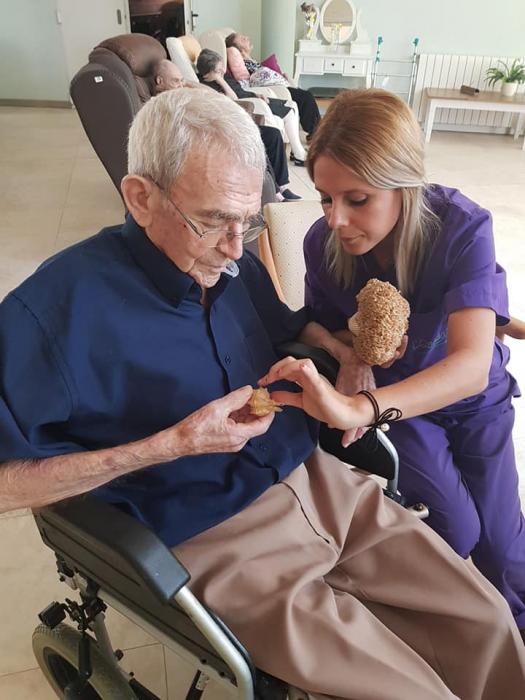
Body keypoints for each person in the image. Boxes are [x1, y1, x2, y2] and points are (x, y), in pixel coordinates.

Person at [0, 88, 524, 699]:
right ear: (141, 197)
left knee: (487, 624)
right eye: (212, 221)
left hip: (323, 485)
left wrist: (347, 355)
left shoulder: (231, 263)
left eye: (246, 222)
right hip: (217, 535)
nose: (234, 247)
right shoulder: (54, 314)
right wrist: (170, 444)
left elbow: (290, 326)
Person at [285, 87, 525, 637]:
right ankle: (445, 624)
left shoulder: (462, 228)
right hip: (401, 407)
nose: (335, 219)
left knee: (504, 544)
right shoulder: (323, 244)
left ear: (404, 184)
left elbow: (470, 366)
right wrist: (350, 351)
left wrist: (361, 408)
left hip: (473, 398)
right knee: (456, 531)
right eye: (324, 198)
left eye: (356, 199)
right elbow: (314, 323)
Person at [152, 58, 300, 201]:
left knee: (272, 134)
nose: (180, 85)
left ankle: (282, 187)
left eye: (181, 80)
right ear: (160, 81)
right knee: (251, 140)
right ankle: (275, 194)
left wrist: (187, 82)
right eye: (175, 81)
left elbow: (213, 95)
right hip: (208, 137)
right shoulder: (162, 102)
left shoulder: (181, 90)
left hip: (221, 127)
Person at [197, 48, 308, 166]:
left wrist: (256, 94)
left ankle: (296, 150)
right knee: (289, 112)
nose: (223, 71)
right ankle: (299, 155)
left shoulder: (224, 76)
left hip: (253, 97)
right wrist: (220, 80)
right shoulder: (210, 84)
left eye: (222, 67)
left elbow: (240, 90)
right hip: (250, 104)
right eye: (219, 70)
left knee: (293, 104)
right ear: (209, 73)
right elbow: (234, 98)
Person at [225, 32, 321, 139]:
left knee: (306, 96)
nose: (247, 38)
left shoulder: (251, 61)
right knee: (306, 97)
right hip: (274, 89)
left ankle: (318, 132)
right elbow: (253, 80)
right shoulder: (245, 64)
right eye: (243, 39)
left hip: (279, 85)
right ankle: (316, 134)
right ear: (240, 51)